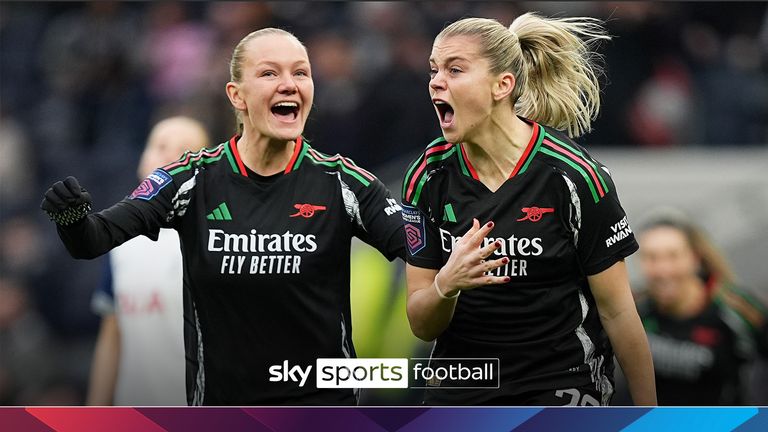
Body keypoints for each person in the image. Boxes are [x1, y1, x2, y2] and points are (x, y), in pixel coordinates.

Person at [41, 28, 405, 405]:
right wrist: (72, 219)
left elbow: (423, 245)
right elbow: (93, 239)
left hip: (319, 415)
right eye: (269, 73)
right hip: (220, 416)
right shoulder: (189, 181)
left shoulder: (343, 183)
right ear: (237, 95)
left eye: (300, 73)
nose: (289, 84)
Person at [401, 13, 656, 405]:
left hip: (560, 385)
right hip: (465, 388)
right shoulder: (426, 178)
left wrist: (649, 416)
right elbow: (421, 322)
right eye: (434, 69)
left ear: (502, 85)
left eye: (455, 69)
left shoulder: (575, 176)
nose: (436, 81)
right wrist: (446, 284)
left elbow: (619, 313)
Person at [86, 116, 210, 406]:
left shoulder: (216, 240)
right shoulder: (120, 241)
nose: (168, 155)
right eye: (160, 145)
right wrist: (94, 410)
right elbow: (111, 336)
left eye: (184, 152)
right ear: (142, 159)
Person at [635, 210, 768, 405]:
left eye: (673, 256)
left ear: (695, 258)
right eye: (651, 258)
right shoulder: (634, 309)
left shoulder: (737, 309)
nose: (663, 270)